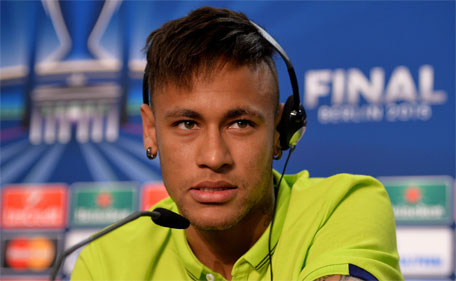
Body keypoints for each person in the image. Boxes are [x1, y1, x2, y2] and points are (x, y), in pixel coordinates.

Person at [71, 7, 403, 281]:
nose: (214, 157)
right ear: (151, 130)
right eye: (187, 124)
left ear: (279, 131)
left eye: (240, 124)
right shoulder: (106, 260)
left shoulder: (343, 206)